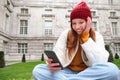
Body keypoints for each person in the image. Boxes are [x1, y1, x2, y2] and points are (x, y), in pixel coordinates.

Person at [32, 2, 120, 80]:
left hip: (88, 73)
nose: (77, 27)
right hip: (66, 72)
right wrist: (51, 64)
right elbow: (58, 53)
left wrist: (86, 38)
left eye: (81, 22)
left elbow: (101, 62)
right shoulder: (66, 34)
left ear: (88, 21)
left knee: (113, 70)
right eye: (74, 23)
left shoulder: (97, 36)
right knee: (38, 70)